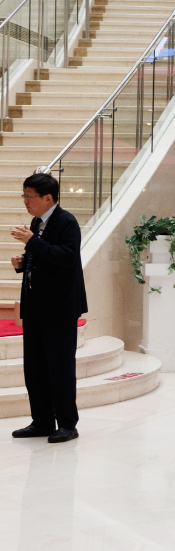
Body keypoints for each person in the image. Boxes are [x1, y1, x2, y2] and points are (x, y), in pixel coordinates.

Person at [10, 174, 88, 444]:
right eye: (24, 195)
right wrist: (24, 262)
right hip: (35, 305)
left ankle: (67, 424)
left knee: (60, 367)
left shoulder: (67, 222)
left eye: (29, 196)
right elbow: (44, 257)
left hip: (59, 308)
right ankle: (42, 421)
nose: (25, 201)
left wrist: (32, 242)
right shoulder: (36, 222)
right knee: (35, 367)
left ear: (48, 198)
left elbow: (67, 258)